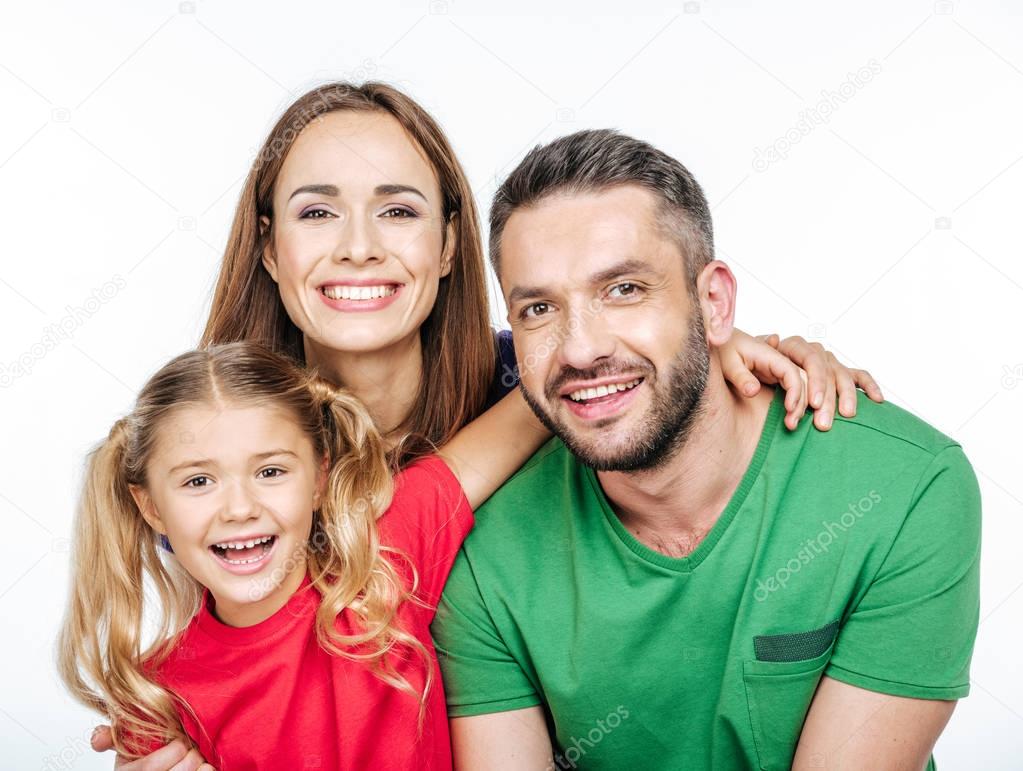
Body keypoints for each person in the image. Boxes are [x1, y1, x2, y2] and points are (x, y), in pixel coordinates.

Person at [87, 82, 881, 769]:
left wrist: (718, 345)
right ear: (269, 246)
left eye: (396, 210)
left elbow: (630, 360)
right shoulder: (222, 436)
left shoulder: (542, 378)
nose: (358, 246)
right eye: (317, 211)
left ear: (445, 245)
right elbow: (249, 671)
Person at [431, 129, 981, 770]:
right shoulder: (483, 558)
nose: (580, 349)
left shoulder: (905, 487)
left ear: (714, 303)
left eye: (624, 289)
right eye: (538, 310)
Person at [60, 341, 550, 769]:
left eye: (271, 472)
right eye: (198, 481)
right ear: (151, 507)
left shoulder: (382, 559)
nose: (239, 509)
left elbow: (527, 412)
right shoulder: (156, 701)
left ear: (318, 479)